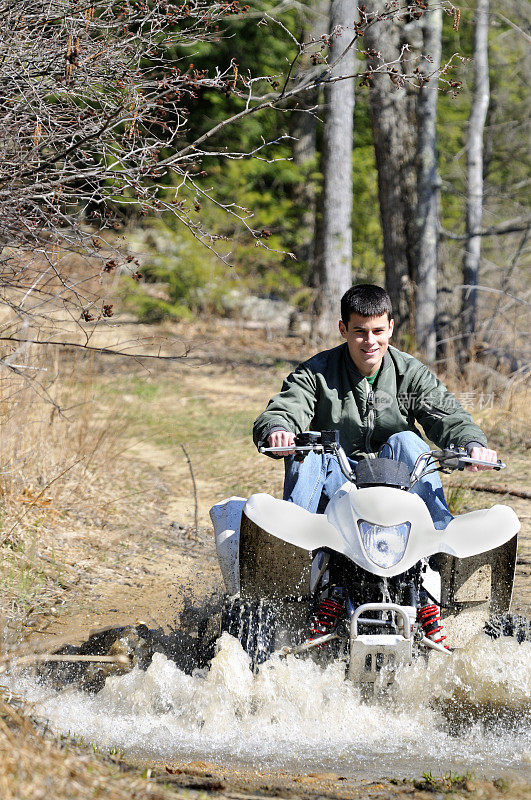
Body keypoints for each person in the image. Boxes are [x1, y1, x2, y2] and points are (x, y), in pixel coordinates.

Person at [253, 284, 498, 638]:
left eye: (378, 331)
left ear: (391, 328)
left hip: (394, 489)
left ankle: (437, 557)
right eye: (360, 332)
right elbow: (286, 407)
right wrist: (278, 431)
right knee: (314, 445)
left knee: (409, 440)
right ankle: (292, 565)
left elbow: (447, 415)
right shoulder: (318, 372)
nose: (370, 341)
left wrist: (471, 444)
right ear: (343, 330)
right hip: (335, 490)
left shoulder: (408, 374)